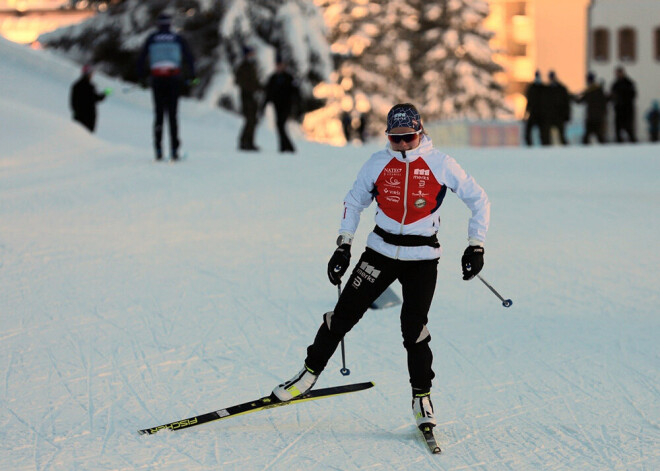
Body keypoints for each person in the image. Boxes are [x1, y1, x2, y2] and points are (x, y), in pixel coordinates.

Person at [271, 103, 490, 432]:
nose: (401, 145)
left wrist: (476, 245)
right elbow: (354, 200)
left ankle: (422, 398)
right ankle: (306, 376)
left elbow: (479, 199)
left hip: (422, 258)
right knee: (342, 315)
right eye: (394, 139)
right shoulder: (377, 163)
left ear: (420, 133)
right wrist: (343, 245)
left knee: (413, 329)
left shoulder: (441, 164)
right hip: (379, 251)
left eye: (408, 138)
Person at [137, 12, 195, 161]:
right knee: (173, 115)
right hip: (173, 78)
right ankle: (174, 150)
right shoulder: (177, 38)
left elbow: (141, 58)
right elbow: (189, 57)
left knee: (159, 115)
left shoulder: (152, 38)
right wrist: (192, 76)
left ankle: (158, 149)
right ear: (170, 24)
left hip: (157, 78)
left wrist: (141, 77)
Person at [263, 58, 300, 152]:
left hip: (286, 105)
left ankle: (288, 147)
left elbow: (295, 92)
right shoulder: (273, 78)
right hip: (277, 105)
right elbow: (268, 92)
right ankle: (284, 146)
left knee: (281, 125)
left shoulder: (289, 77)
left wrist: (295, 104)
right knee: (279, 125)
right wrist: (265, 104)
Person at [235, 47, 262, 151]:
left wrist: (260, 88)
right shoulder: (243, 67)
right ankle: (245, 142)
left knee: (253, 120)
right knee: (250, 120)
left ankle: (249, 142)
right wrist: (253, 89)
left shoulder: (251, 66)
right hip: (247, 97)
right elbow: (242, 82)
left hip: (252, 97)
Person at [69, 64, 108, 132]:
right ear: (89, 74)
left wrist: (76, 112)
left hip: (77, 115)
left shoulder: (76, 85)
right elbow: (97, 98)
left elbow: (72, 102)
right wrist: (105, 93)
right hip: (89, 117)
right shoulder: (90, 86)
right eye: (91, 73)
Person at [574, 72, 608, 144]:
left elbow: (579, 101)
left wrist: (571, 97)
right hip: (596, 117)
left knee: (590, 137)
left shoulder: (592, 91)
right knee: (598, 137)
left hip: (594, 118)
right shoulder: (598, 91)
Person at [609, 66, 637, 143]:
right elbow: (611, 96)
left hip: (627, 110)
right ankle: (619, 144)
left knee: (629, 128)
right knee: (618, 129)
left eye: (618, 73)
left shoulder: (628, 83)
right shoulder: (615, 84)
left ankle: (633, 144)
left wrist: (622, 97)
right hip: (618, 110)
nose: (617, 74)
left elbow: (633, 95)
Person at [524, 71, 550, 146]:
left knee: (544, 133)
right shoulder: (531, 88)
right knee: (528, 132)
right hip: (533, 113)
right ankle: (529, 146)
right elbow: (529, 102)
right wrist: (526, 113)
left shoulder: (544, 88)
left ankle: (545, 146)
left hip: (542, 115)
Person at [546, 71, 570, 145]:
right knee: (548, 137)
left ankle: (564, 150)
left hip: (559, 116)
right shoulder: (547, 89)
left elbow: (566, 103)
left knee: (561, 136)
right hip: (551, 116)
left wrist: (566, 115)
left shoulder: (561, 89)